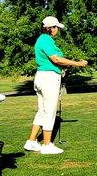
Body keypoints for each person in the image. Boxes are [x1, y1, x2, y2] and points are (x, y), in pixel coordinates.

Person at [24, 16, 88, 154]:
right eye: (56, 27)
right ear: (50, 28)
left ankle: (31, 142)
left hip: (43, 76)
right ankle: (47, 144)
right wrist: (78, 63)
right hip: (48, 79)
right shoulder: (46, 40)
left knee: (42, 110)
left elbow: (53, 62)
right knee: (50, 111)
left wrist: (60, 70)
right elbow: (56, 59)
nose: (57, 30)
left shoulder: (43, 40)